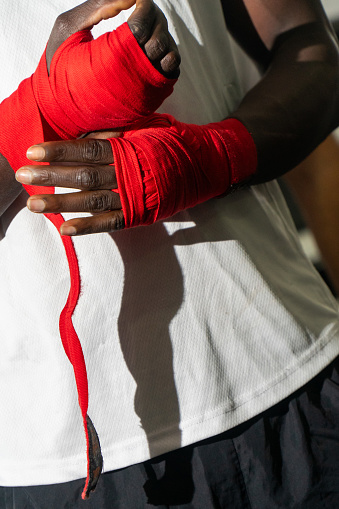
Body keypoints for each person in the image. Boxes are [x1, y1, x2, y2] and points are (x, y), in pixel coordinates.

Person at [0, 1, 339, 508]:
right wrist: (45, 112)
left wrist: (217, 156)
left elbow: (309, 45)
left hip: (291, 362)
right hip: (76, 458)